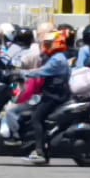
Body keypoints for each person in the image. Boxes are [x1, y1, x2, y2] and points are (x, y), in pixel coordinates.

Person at [21, 32, 71, 164]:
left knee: (36, 118)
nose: (45, 47)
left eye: (48, 44)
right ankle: (43, 149)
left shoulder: (57, 60)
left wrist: (22, 73)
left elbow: (42, 71)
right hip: (54, 93)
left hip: (54, 95)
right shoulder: (58, 57)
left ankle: (39, 152)